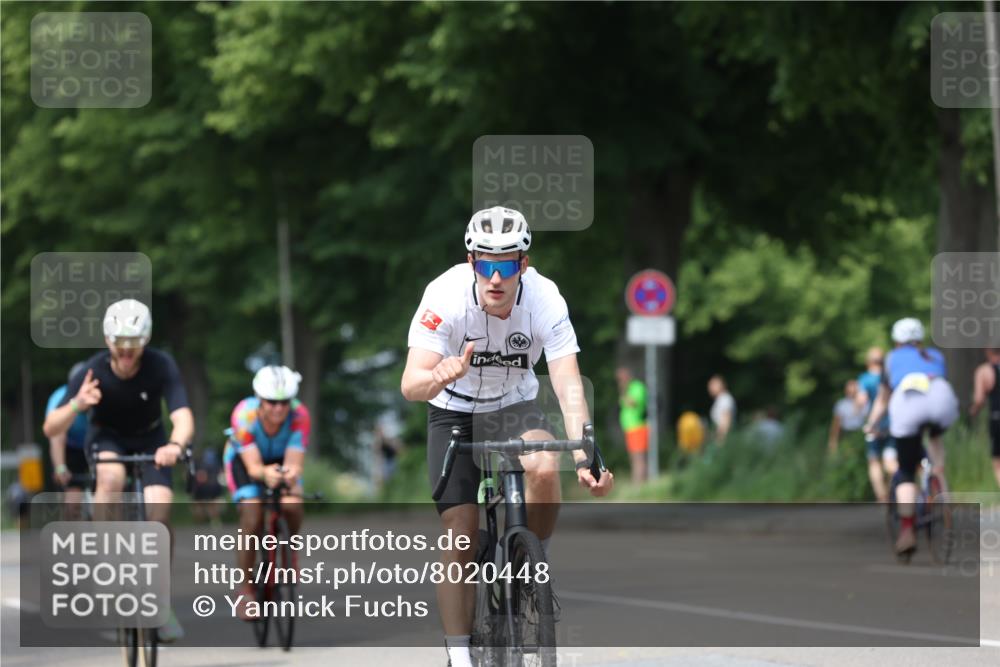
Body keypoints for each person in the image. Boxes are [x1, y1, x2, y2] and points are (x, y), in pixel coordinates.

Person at [400, 206, 613, 667]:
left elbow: (568, 383)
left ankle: (530, 562)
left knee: (542, 466)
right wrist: (441, 372)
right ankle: (460, 655)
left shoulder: (545, 299)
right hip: (452, 408)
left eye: (508, 264)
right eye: (486, 265)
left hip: (514, 405)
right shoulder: (444, 296)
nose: (496, 278)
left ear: (524, 265)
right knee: (460, 533)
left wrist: (585, 456)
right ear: (471, 260)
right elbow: (411, 385)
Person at [42, 298, 194, 641]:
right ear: (108, 340)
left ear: (146, 340)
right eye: (120, 344)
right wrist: (78, 405)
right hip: (107, 437)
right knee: (111, 478)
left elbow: (182, 416)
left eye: (135, 344)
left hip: (151, 437)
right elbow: (52, 428)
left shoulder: (161, 365)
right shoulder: (91, 371)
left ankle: (160, 600)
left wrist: (175, 446)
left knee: (161, 508)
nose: (127, 352)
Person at [864, 317, 959, 557]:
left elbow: (883, 400)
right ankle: (943, 502)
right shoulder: (935, 355)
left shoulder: (892, 358)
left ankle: (907, 531)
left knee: (905, 470)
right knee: (935, 448)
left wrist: (872, 424)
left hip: (908, 402)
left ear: (896, 340)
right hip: (941, 399)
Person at [223, 365, 310, 620]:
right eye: (271, 402)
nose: (279, 409)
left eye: (284, 402)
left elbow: (295, 464)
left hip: (281, 459)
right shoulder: (244, 415)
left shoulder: (300, 415)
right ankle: (246, 588)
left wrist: (289, 475)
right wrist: (266, 474)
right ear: (259, 399)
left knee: (292, 503)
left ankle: (289, 549)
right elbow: (253, 467)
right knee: (252, 515)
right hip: (245, 462)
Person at [45, 361, 91, 519]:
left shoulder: (100, 394)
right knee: (73, 502)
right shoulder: (60, 397)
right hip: (71, 449)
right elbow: (57, 435)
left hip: (97, 445)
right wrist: (60, 467)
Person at [855, 346, 898, 502]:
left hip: (874, 427)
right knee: (890, 462)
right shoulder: (890, 376)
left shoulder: (865, 379)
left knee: (874, 461)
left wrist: (857, 408)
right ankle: (898, 488)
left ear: (868, 362)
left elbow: (861, 401)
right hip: (893, 425)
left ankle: (882, 498)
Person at [970, 347, 1000, 489]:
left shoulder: (984, 371)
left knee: (998, 461)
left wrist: (973, 411)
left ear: (988, 351)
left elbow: (979, 399)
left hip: (997, 417)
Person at [616, 366, 649, 483]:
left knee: (638, 458)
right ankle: (638, 483)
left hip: (638, 427)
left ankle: (639, 485)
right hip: (630, 429)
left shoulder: (637, 387)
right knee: (633, 458)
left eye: (621, 378)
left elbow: (633, 402)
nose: (620, 382)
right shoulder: (628, 389)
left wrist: (624, 390)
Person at [828, 380, 865, 453]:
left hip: (861, 434)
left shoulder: (865, 402)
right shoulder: (841, 404)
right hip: (846, 434)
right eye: (849, 390)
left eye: (853, 390)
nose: (851, 392)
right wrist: (833, 440)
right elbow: (836, 424)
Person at [191, 448, 224, 526]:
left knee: (201, 506)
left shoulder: (201, 464)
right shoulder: (216, 464)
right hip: (211, 488)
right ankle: (213, 521)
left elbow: (200, 477)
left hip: (203, 488)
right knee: (210, 505)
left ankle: (201, 523)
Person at [708, 375, 736, 444]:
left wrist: (720, 441)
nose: (710, 387)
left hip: (724, 440)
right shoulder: (721, 399)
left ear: (722, 385)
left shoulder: (725, 399)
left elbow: (726, 422)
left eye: (713, 384)